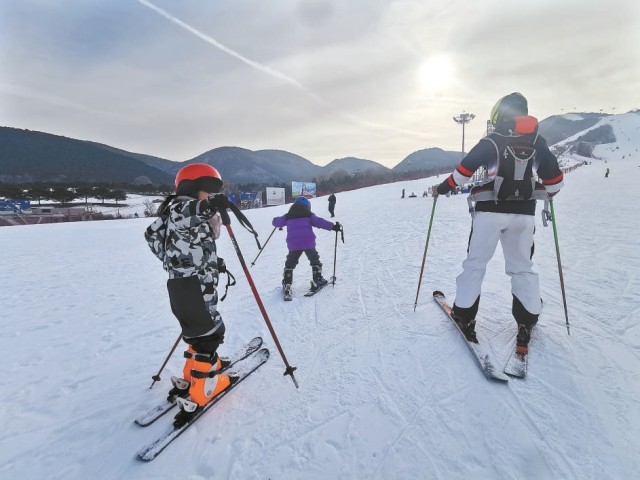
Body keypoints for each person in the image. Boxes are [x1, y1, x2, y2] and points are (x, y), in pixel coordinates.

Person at [432, 92, 564, 350]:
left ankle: (465, 316)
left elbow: (461, 175)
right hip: (524, 214)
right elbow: (556, 183)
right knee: (522, 267)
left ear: (497, 115)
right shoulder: (538, 142)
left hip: (489, 212)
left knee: (476, 264)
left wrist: (441, 189)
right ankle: (527, 321)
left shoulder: (491, 141)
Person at [144, 163, 235, 427]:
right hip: (196, 287)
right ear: (196, 189)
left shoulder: (170, 215)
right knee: (211, 332)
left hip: (182, 285)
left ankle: (193, 371)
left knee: (197, 331)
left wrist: (204, 261)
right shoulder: (184, 208)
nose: (208, 197)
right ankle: (203, 388)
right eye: (207, 192)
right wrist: (206, 207)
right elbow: (187, 214)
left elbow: (153, 236)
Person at [272, 196, 340, 297]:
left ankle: (287, 283)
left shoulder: (288, 216)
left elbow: (276, 222)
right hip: (308, 242)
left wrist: (276, 220)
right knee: (314, 259)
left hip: (293, 243)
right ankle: (318, 279)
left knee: (290, 262)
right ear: (307, 206)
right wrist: (333, 226)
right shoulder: (309, 214)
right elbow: (320, 222)